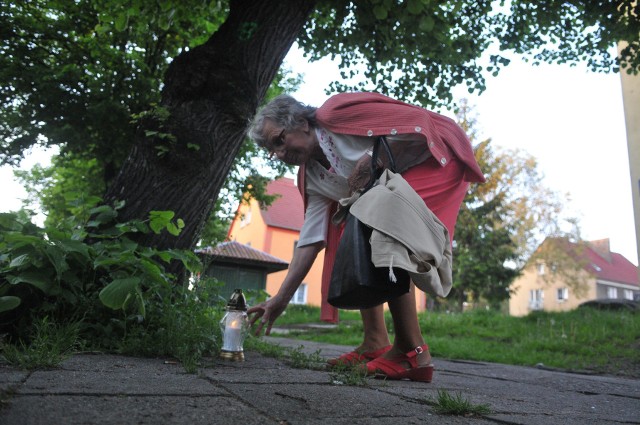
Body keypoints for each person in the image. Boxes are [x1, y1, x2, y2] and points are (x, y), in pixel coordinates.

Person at [246, 92, 484, 382]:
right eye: (272, 150)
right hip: (392, 187)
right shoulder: (312, 177)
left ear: (301, 123)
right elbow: (310, 240)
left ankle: (413, 351)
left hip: (435, 159)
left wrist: (373, 158)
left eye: (280, 140)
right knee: (354, 231)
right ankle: (375, 342)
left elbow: (417, 127)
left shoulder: (336, 115)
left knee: (383, 223)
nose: (280, 154)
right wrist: (280, 300)